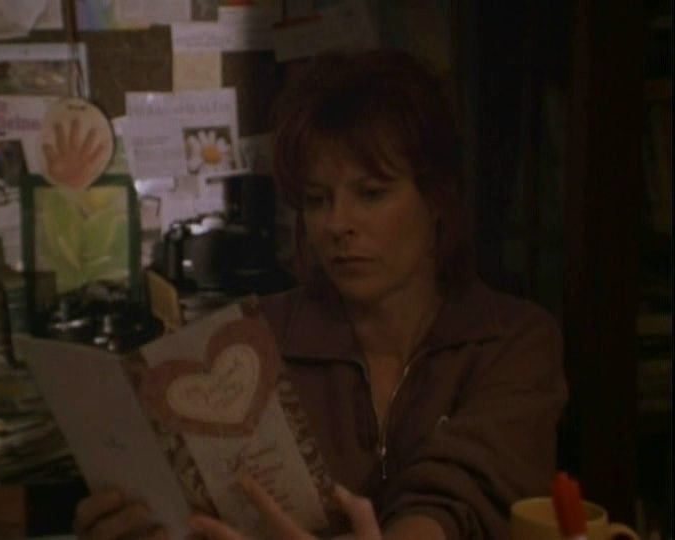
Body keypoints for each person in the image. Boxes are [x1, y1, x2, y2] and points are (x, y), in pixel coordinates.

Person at [73, 49, 567, 540]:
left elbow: (465, 490)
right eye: (316, 200)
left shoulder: (510, 339)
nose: (337, 224)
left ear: (436, 197)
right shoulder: (251, 343)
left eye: (371, 193)